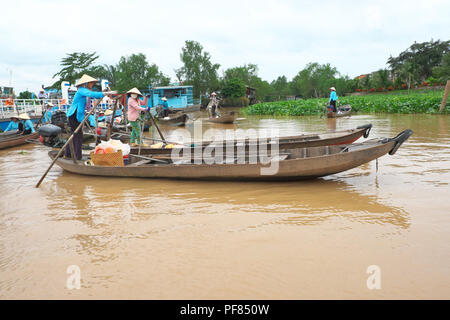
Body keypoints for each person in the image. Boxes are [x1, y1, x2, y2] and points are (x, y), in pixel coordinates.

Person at [64, 74, 116, 160]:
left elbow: (93, 94)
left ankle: (69, 154)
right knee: (77, 136)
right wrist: (106, 93)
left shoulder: (83, 90)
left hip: (77, 115)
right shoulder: (81, 90)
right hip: (73, 115)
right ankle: (77, 156)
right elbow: (92, 94)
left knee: (75, 135)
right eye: (91, 83)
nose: (92, 85)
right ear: (86, 83)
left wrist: (104, 92)